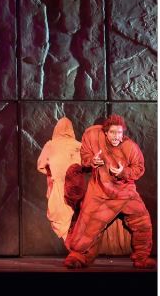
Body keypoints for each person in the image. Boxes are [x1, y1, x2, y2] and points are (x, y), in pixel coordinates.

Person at [63, 115, 154, 269]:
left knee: (142, 221)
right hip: (100, 190)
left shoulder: (130, 147)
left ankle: (141, 257)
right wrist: (92, 161)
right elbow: (85, 156)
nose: (116, 136)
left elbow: (139, 168)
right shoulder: (92, 136)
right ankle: (77, 256)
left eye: (119, 132)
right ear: (105, 132)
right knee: (87, 223)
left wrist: (123, 172)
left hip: (125, 192)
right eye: (112, 132)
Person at [36, 117, 80, 241]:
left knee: (61, 218)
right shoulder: (79, 145)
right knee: (75, 220)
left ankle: (72, 245)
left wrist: (52, 173)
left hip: (60, 188)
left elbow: (40, 165)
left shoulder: (50, 145)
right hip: (77, 189)